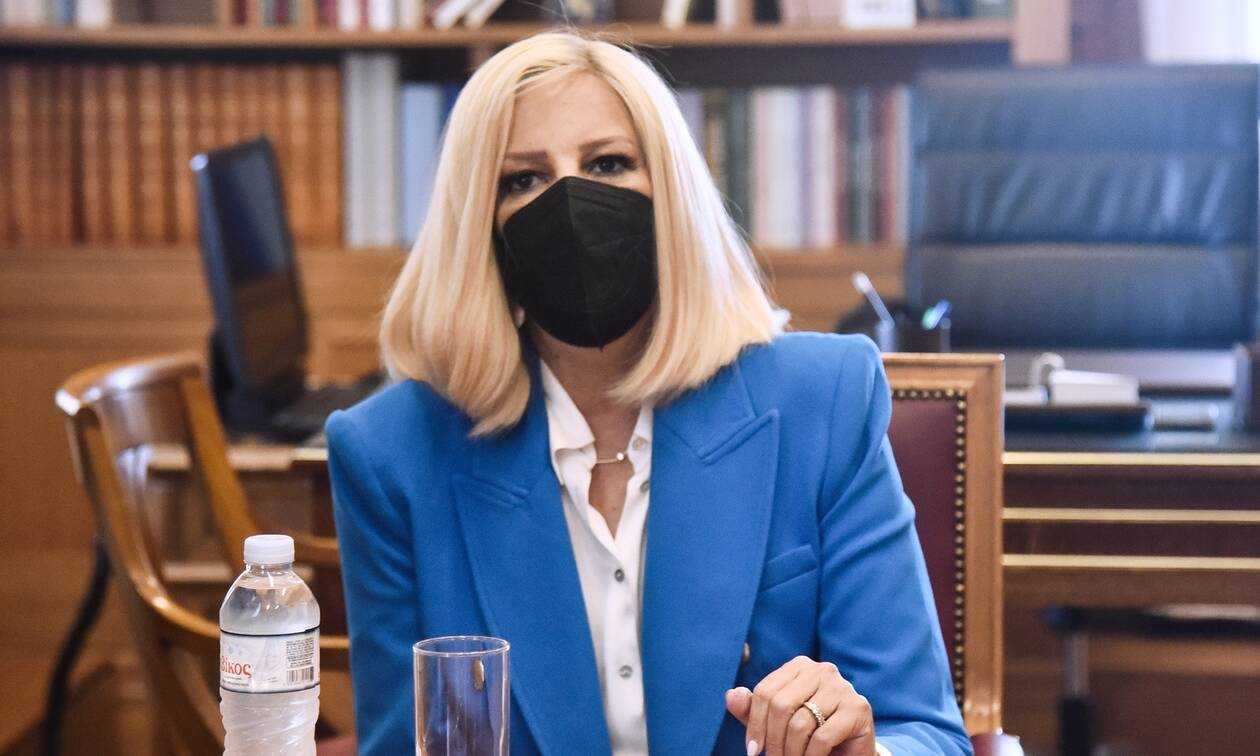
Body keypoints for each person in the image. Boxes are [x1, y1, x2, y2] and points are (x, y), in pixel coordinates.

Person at [326, 28, 971, 756]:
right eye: (523, 180)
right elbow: (398, 745)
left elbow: (926, 732)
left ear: (671, 194)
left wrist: (864, 751)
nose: (570, 201)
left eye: (608, 164)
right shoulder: (390, 454)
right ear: (479, 228)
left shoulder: (823, 402)